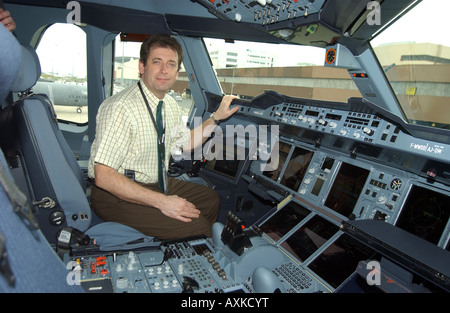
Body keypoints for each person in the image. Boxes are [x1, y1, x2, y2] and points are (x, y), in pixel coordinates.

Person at [88, 34, 239, 240]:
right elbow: (104, 176)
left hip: (157, 182)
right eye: (156, 62)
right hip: (115, 195)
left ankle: (182, 246)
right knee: (199, 228)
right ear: (142, 67)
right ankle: (193, 244)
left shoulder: (169, 105)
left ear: (177, 72)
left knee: (210, 198)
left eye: (171, 64)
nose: (163, 71)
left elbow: (185, 144)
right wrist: (163, 202)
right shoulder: (120, 107)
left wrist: (216, 118)